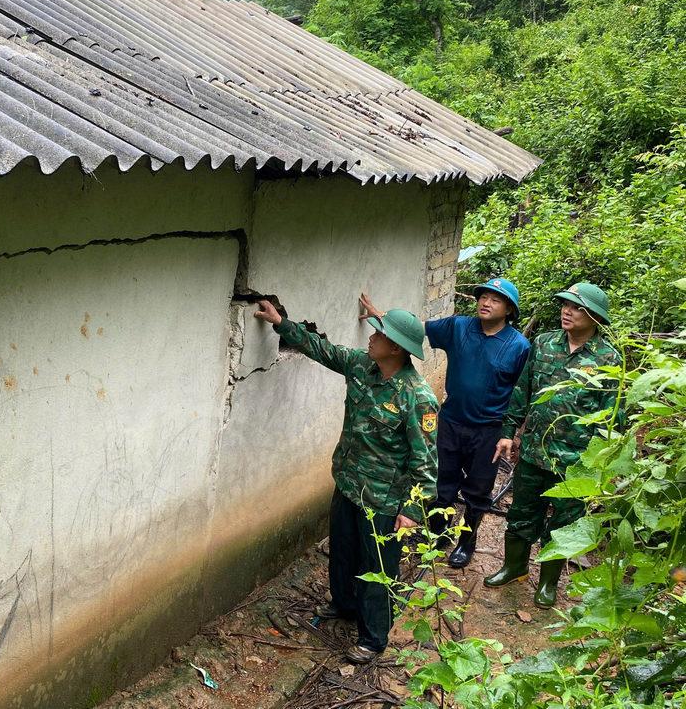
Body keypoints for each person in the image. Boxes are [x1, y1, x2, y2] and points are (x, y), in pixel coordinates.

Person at [253, 300, 438, 663]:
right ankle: (344, 604)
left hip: (384, 501)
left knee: (377, 569)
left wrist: (412, 511)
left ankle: (373, 637)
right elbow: (324, 350)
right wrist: (282, 323)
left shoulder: (417, 397)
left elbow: (426, 461)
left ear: (396, 348)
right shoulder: (362, 366)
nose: (371, 338)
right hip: (350, 484)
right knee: (343, 551)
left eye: (379, 334)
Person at [359, 279, 530, 568]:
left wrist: (509, 434)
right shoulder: (459, 327)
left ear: (509, 310)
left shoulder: (519, 346)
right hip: (450, 421)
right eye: (483, 297)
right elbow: (416, 328)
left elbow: (521, 392)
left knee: (478, 490)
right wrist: (382, 317)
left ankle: (467, 541)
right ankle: (437, 534)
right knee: (441, 482)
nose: (486, 303)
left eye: (496, 300)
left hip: (488, 429)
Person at [484, 282, 622, 607]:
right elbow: (522, 390)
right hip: (532, 454)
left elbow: (614, 418)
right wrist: (508, 432)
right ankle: (514, 567)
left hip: (574, 465)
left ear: (594, 316)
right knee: (520, 514)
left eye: (576, 307)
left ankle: (547, 583)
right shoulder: (544, 344)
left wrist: (603, 466)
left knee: (562, 526)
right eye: (565, 305)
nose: (566, 311)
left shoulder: (609, 359)